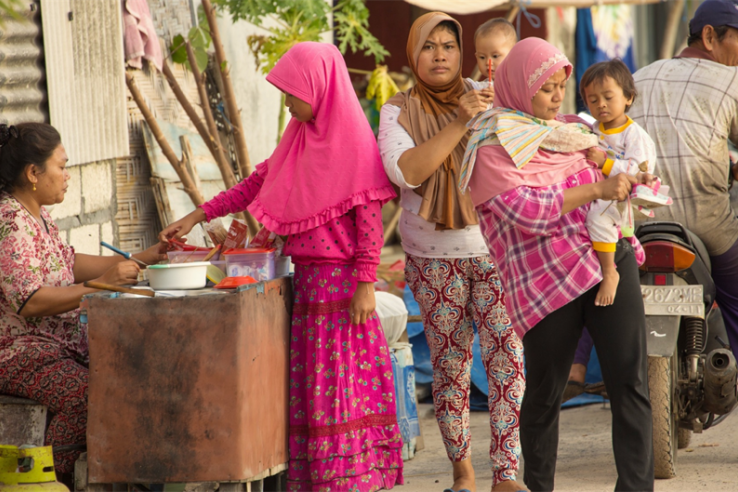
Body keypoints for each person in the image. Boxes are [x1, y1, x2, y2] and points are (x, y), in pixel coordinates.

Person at [159, 42, 403, 492]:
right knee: (316, 390)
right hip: (308, 289)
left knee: (342, 390)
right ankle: (320, 479)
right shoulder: (297, 143)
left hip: (344, 291)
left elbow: (370, 223)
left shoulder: (356, 146)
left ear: (321, 88)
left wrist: (366, 284)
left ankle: (349, 479)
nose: (288, 103)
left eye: (293, 93)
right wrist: (198, 214)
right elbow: (254, 185)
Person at [460, 38, 654, 491]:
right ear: (518, 86)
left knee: (629, 382)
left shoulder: (572, 131)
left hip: (607, 260)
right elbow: (523, 209)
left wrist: (630, 178)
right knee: (545, 391)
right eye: (545, 87)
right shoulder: (492, 145)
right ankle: (539, 485)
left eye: (559, 86)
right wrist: (596, 191)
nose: (556, 97)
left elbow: (612, 171)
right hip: (543, 279)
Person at [379, 12, 526, 492]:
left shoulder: (486, 89)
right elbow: (410, 172)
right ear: (413, 53)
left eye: (448, 45)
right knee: (450, 364)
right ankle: (463, 473)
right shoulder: (396, 110)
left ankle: (505, 473)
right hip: (433, 256)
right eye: (429, 46)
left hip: (496, 250)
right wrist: (461, 121)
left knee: (507, 358)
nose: (440, 54)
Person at [0, 123, 166, 485]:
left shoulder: (39, 216)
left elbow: (68, 263)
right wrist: (98, 287)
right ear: (33, 173)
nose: (67, 176)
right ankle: (50, 482)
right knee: (91, 396)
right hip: (20, 354)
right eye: (61, 166)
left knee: (133, 374)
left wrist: (146, 258)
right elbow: (29, 300)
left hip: (57, 347)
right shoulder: (10, 222)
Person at [629, 0, 738, 362]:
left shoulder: (637, 76)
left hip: (637, 224)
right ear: (710, 36)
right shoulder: (731, 80)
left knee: (600, 292)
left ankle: (580, 368)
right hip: (706, 223)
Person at [579, 59, 657, 306]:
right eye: (593, 100)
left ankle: (609, 271)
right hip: (598, 192)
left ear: (628, 98)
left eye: (608, 97)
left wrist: (606, 163)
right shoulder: (593, 128)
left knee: (596, 219)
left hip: (621, 197)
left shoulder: (634, 135)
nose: (600, 104)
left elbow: (640, 171)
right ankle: (627, 238)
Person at [474, 18, 517, 85]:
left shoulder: (519, 85)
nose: (488, 62)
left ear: (513, 54)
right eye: (482, 57)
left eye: (495, 56)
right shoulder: (479, 87)